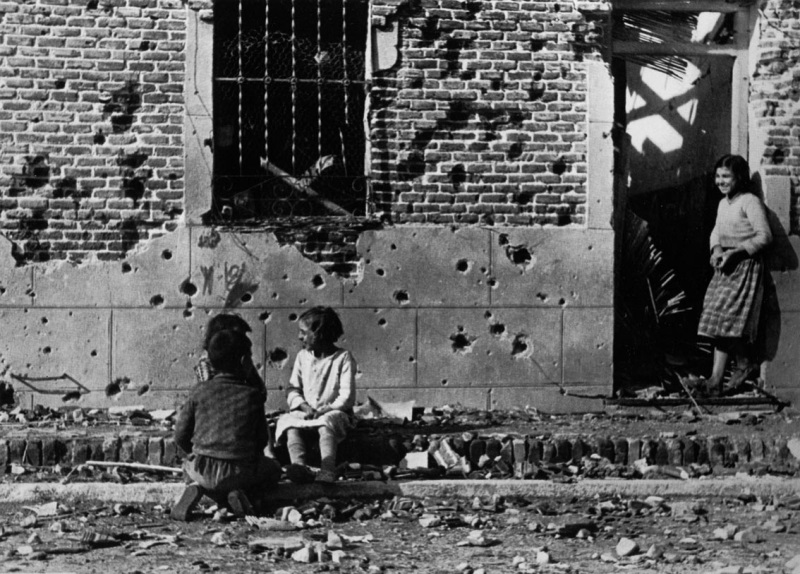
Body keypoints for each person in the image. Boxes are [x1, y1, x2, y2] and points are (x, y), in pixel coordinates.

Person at [172, 329, 281, 520]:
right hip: (240, 471)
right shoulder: (252, 395)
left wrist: (192, 453)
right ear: (243, 361)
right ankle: (238, 494)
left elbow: (180, 435)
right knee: (273, 470)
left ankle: (196, 487)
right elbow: (261, 440)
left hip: (201, 468)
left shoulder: (199, 391)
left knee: (186, 466)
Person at [696, 154, 773, 396]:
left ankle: (723, 375)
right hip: (725, 265)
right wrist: (717, 250)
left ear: (739, 177)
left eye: (726, 176)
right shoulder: (723, 204)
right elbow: (716, 232)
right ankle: (729, 371)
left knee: (727, 319)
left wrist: (737, 253)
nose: (721, 181)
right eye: (718, 176)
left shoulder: (749, 201)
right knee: (718, 317)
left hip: (744, 266)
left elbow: (765, 236)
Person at [275, 306, 356, 484]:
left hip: (334, 412)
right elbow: (293, 388)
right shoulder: (302, 357)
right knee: (288, 422)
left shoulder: (343, 358)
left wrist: (326, 409)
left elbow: (346, 395)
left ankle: (327, 469)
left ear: (320, 334)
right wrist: (304, 406)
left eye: (303, 332)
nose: (299, 337)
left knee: (326, 423)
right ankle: (299, 466)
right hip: (308, 411)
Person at [194, 313, 266, 400]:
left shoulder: (241, 360)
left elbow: (261, 392)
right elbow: (208, 398)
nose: (244, 340)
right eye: (238, 336)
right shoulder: (206, 364)